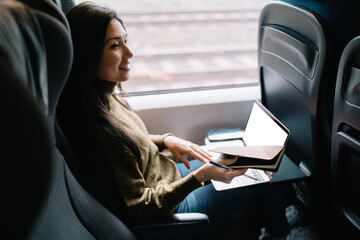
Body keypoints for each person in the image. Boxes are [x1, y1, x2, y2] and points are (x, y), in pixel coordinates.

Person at [56, 2, 290, 239]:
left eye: (126, 40)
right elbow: (139, 208)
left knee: (253, 156)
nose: (129, 53)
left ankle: (275, 224)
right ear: (88, 54)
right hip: (173, 208)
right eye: (115, 45)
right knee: (264, 169)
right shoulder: (100, 130)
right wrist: (200, 177)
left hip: (171, 177)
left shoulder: (103, 96)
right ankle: (281, 233)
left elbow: (129, 142)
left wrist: (166, 140)